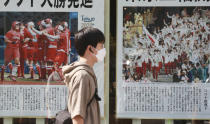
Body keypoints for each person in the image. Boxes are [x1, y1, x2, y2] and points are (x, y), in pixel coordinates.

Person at [62, 27, 106, 124]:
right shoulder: (83, 76)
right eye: (101, 46)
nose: (103, 50)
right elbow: (77, 117)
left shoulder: (86, 73)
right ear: (90, 48)